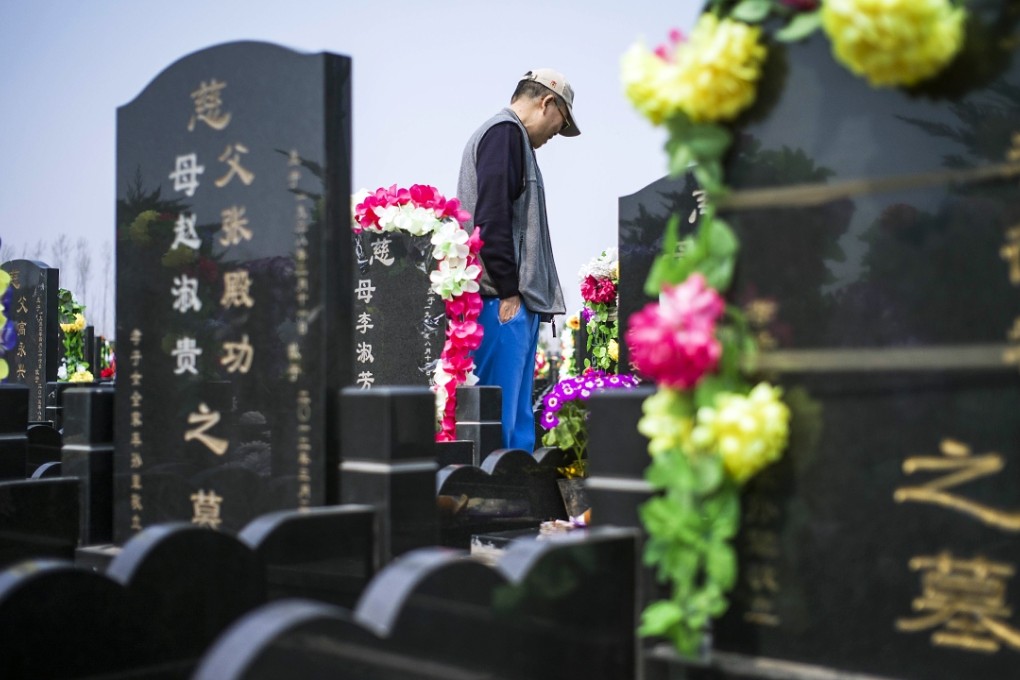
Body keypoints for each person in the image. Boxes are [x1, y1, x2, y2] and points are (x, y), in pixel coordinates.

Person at [457, 68, 578, 452]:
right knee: (498, 425)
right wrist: (509, 290)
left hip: (507, 302)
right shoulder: (504, 133)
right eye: (559, 125)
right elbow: (491, 217)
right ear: (548, 103)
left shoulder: (511, 137)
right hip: (500, 301)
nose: (553, 136)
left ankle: (515, 507)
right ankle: (494, 507)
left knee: (514, 422)